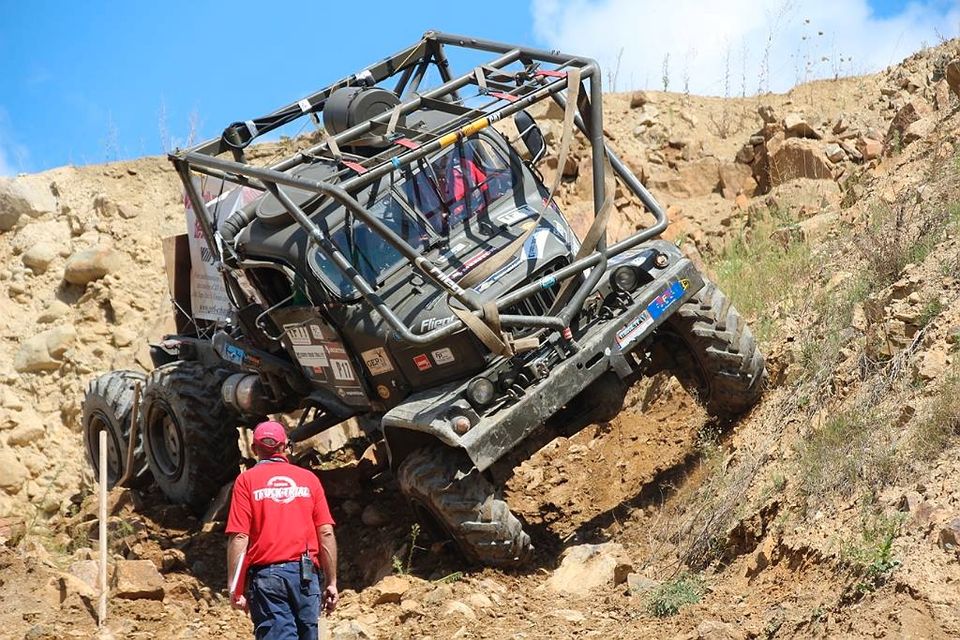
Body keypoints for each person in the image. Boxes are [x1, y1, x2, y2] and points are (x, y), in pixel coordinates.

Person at [226, 420, 338, 640]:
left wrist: (234, 586)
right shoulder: (309, 479)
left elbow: (240, 536)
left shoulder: (246, 481)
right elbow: (325, 532)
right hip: (306, 577)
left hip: (267, 579)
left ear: (254, 449)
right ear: (285, 446)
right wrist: (332, 582)